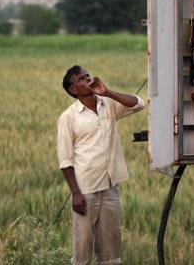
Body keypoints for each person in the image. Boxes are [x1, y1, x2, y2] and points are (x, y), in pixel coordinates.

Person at [57, 65, 145, 265]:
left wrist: (108, 92)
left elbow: (138, 104)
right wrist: (76, 193)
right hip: (85, 190)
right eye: (81, 79)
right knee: (82, 248)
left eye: (88, 75)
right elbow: (65, 159)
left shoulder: (108, 105)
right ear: (73, 90)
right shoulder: (68, 117)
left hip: (110, 185)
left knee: (111, 249)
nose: (88, 79)